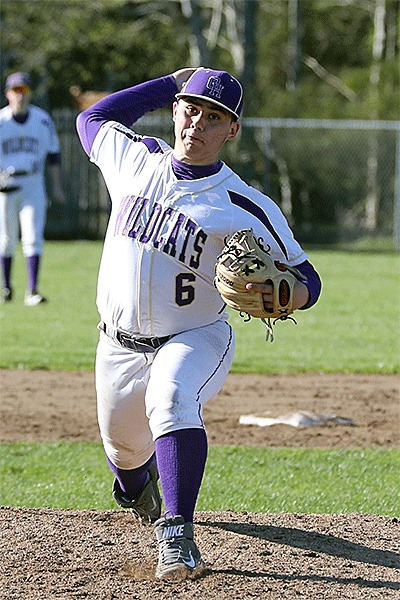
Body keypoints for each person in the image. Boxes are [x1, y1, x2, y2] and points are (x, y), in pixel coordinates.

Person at [76, 67, 322, 581]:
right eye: (190, 109)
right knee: (125, 452)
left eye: (214, 118)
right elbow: (94, 117)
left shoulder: (245, 205)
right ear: (175, 111)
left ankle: (178, 536)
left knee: (170, 400)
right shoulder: (134, 160)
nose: (197, 125)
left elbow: (308, 279)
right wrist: (170, 82)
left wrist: (289, 293)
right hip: (117, 344)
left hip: (195, 335)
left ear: (231, 130)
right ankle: (137, 487)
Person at [0, 72, 65, 306]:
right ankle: (6, 288)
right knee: (6, 238)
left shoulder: (42, 119)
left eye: (24, 90)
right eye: (16, 90)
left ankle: (33, 290)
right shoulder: (1, 121)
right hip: (5, 183)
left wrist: (56, 186)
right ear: (7, 93)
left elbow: (53, 154)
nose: (20, 95)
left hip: (33, 181)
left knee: (33, 236)